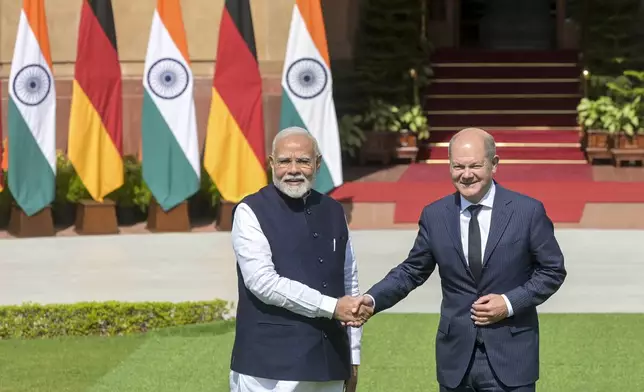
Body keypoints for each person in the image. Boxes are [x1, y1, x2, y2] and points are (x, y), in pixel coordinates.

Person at [350, 128, 567, 391]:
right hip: (456, 361)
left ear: (494, 164)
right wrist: (372, 300)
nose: (466, 174)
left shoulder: (527, 211)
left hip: (512, 357)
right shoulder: (435, 215)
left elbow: (552, 271)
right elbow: (411, 271)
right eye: (458, 166)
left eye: (475, 165)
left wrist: (508, 303)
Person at [229, 127, 364, 392]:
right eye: (284, 161)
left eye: (303, 160)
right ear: (271, 163)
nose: (293, 169)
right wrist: (331, 307)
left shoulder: (334, 211)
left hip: (329, 363)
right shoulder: (249, 211)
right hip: (267, 369)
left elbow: (350, 282)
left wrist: (353, 356)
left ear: (317, 163)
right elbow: (262, 283)